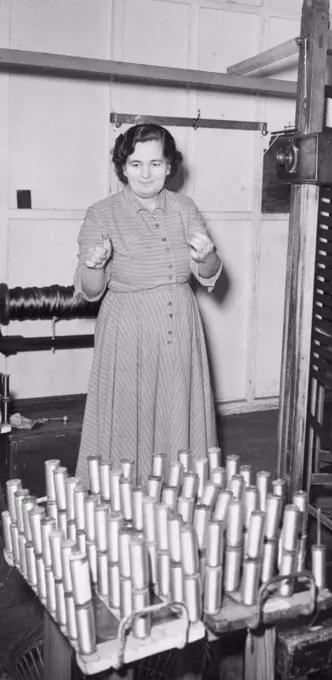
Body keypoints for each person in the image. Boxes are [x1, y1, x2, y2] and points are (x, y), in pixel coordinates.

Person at [73, 123, 222, 486]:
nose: (145, 173)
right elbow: (90, 290)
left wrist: (207, 255)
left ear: (170, 166)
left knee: (178, 411)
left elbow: (210, 274)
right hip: (129, 329)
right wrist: (94, 264)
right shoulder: (101, 213)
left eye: (156, 163)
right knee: (127, 417)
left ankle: (181, 499)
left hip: (179, 323)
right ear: (122, 167)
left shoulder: (185, 208)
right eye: (136, 164)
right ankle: (125, 504)